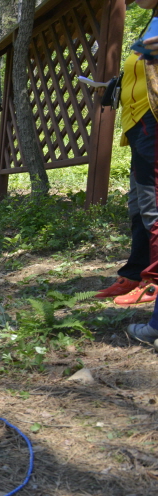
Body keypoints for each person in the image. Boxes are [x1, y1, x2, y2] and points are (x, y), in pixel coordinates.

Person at [98, 1, 158, 307]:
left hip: (152, 121)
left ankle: (154, 283)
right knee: (138, 203)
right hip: (137, 123)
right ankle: (136, 273)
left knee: (153, 205)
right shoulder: (153, 20)